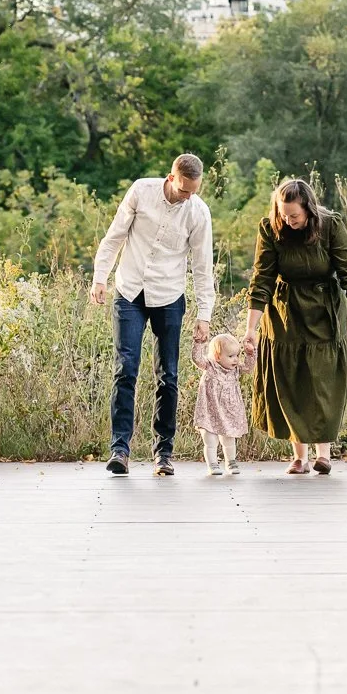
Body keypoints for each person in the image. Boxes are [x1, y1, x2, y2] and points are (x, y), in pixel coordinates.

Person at [90, 152, 214, 478]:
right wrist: (100, 277)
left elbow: (203, 267)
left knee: (168, 375)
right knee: (125, 368)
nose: (189, 196)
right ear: (171, 177)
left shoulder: (198, 213)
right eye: (185, 189)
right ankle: (120, 449)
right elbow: (115, 235)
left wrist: (204, 314)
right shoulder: (141, 191)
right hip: (130, 290)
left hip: (169, 296)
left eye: (194, 191)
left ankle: (164, 453)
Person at [243, 177, 347, 475]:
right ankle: (299, 456)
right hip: (286, 314)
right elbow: (261, 280)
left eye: (295, 216)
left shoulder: (330, 226)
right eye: (284, 214)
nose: (288, 221)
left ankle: (323, 453)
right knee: (291, 379)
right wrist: (251, 328)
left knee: (321, 381)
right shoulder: (271, 228)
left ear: (309, 210)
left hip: (324, 311)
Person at [192, 332, 248, 477]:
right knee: (210, 440)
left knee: (229, 439)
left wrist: (250, 353)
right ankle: (212, 464)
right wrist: (199, 343)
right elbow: (197, 359)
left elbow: (249, 367)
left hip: (229, 411)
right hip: (209, 410)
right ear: (217, 356)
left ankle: (231, 461)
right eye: (231, 356)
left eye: (237, 355)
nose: (235, 360)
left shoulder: (235, 369)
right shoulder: (210, 366)